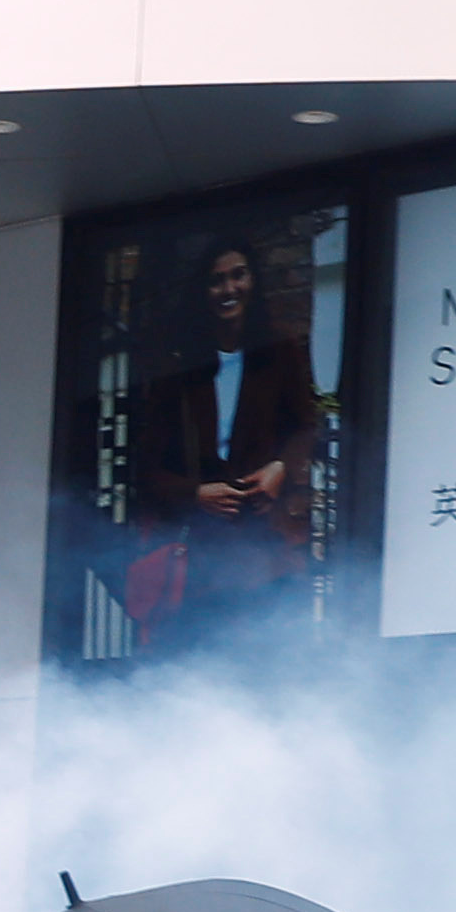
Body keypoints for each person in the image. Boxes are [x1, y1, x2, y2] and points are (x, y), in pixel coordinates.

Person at [129, 236, 327, 641]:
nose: (228, 289)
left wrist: (280, 468)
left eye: (238, 276)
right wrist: (196, 493)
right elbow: (146, 468)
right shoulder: (180, 367)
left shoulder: (280, 352)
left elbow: (307, 429)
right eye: (217, 280)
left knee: (266, 651)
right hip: (203, 551)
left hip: (266, 541)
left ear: (253, 282)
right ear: (203, 292)